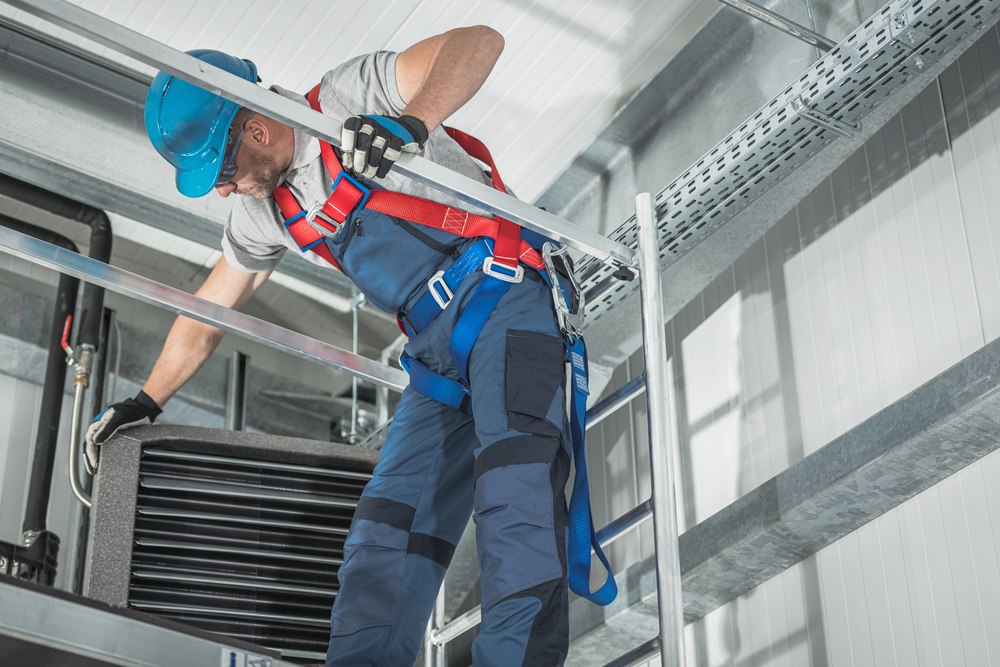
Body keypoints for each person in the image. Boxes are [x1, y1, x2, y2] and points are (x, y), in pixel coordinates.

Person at [84, 27, 582, 667]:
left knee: (514, 496)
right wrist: (144, 402)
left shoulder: (342, 103)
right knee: (381, 535)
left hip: (508, 297)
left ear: (258, 130)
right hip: (436, 353)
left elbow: (480, 42)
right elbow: (209, 310)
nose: (222, 190)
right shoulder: (262, 214)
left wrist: (409, 125)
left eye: (223, 170)